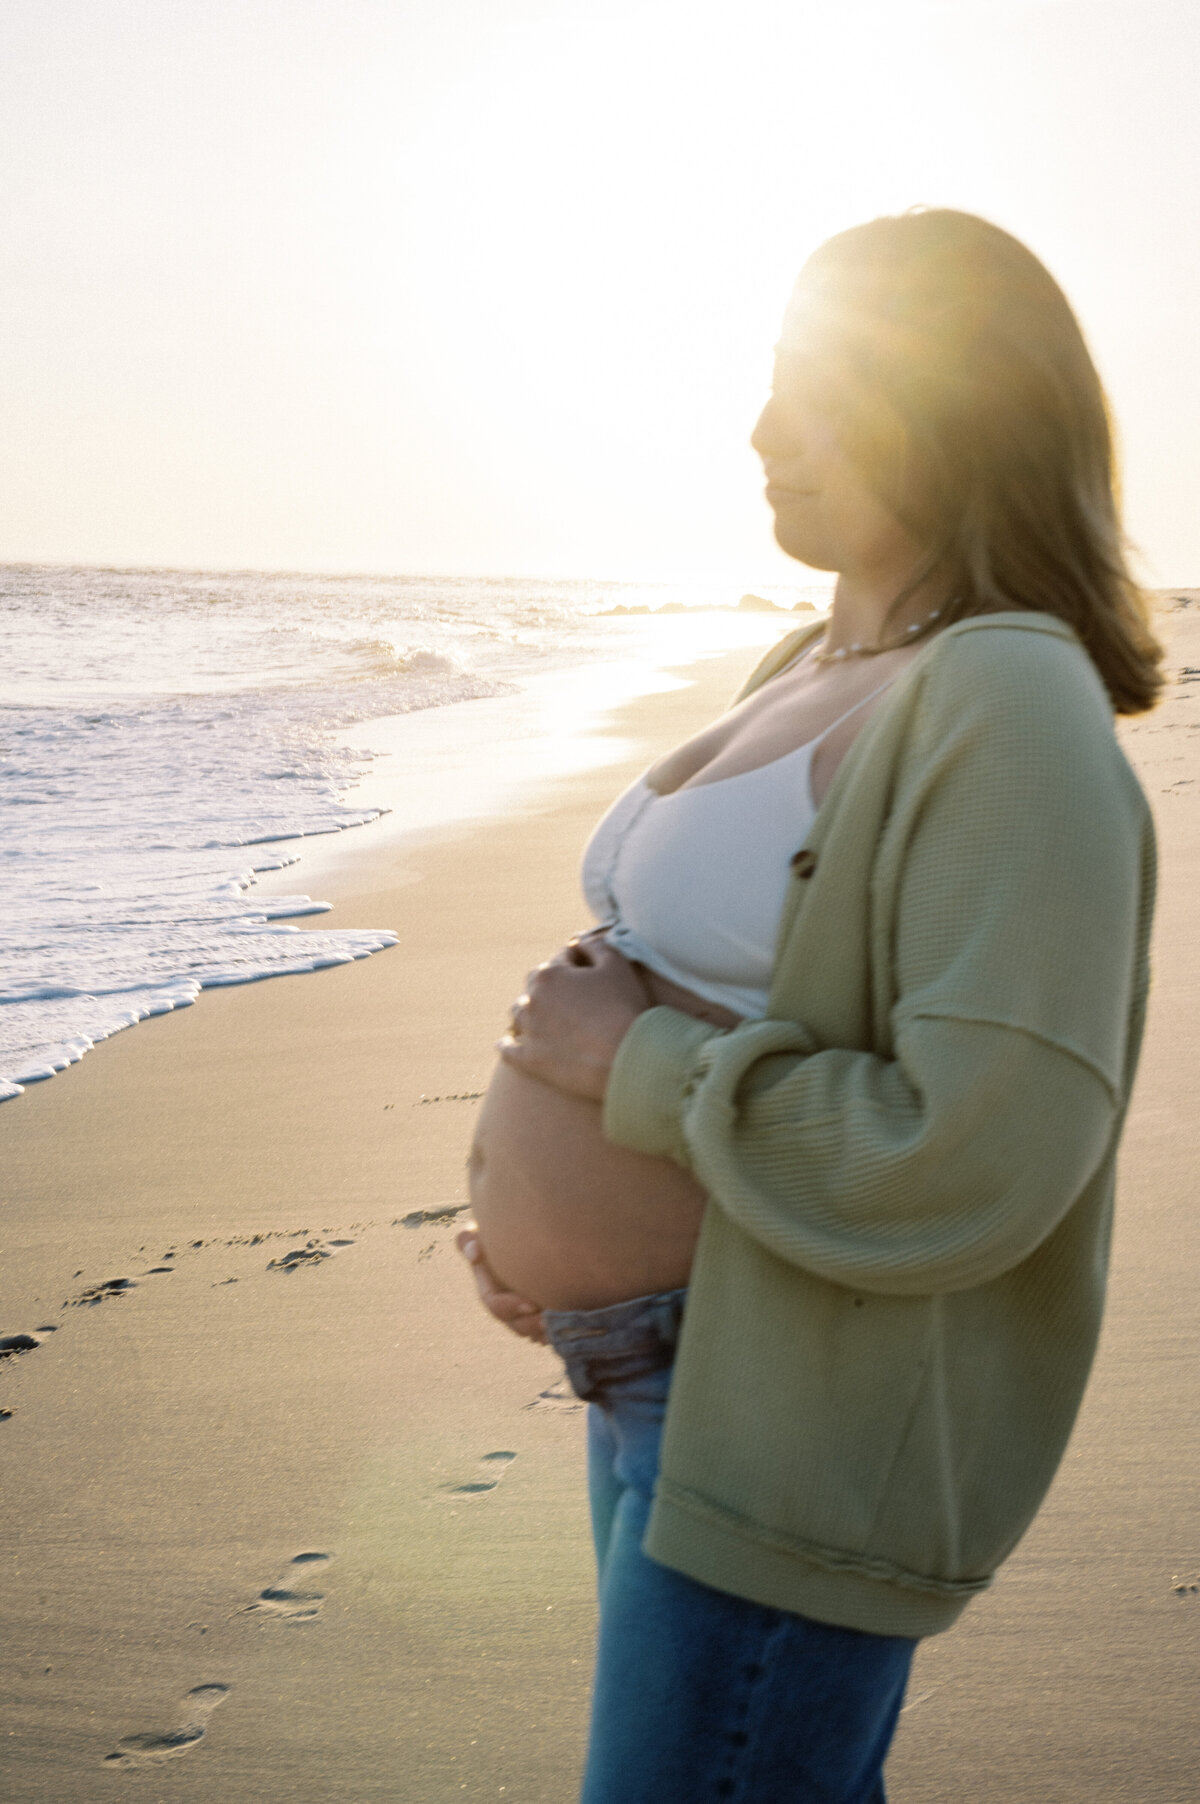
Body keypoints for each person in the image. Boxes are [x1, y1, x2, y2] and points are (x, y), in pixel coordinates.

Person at [457, 208, 1162, 1803]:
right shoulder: (803, 658)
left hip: (797, 1424)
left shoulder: (1011, 703)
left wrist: (630, 1082)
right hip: (654, 1371)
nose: (764, 431)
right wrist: (544, 1242)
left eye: (819, 386)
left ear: (963, 402)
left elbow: (981, 1148)